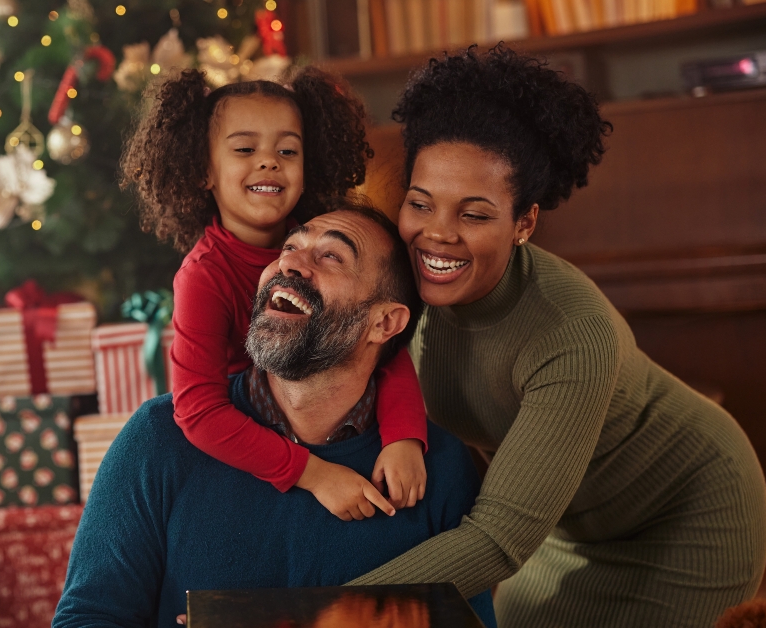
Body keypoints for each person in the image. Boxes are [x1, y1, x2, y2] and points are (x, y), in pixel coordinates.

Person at [348, 44, 766, 627]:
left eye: (474, 214)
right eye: (421, 204)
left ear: (524, 223)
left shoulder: (572, 334)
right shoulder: (399, 284)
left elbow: (498, 539)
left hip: (683, 515)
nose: (436, 236)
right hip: (558, 525)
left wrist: (311, 612)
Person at [53, 206, 496, 628]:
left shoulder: (439, 468)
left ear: (384, 323)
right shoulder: (158, 439)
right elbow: (86, 618)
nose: (291, 265)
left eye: (331, 256)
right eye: (289, 247)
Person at [120, 67, 428, 521]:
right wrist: (314, 475)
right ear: (204, 169)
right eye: (245, 148)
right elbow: (199, 410)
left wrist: (405, 436)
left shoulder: (326, 239)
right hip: (253, 437)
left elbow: (383, 340)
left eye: (287, 150)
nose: (269, 161)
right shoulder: (203, 276)